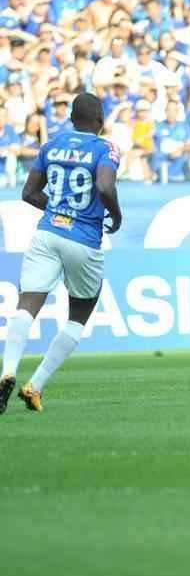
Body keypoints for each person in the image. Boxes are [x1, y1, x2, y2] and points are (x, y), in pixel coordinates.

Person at [0, 93, 122, 414]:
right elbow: (106, 187)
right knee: (79, 315)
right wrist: (116, 216)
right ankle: (34, 385)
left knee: (28, 302)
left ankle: (8, 369)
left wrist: (57, 209)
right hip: (84, 239)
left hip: (48, 232)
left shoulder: (50, 146)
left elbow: (28, 193)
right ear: (100, 121)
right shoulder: (105, 148)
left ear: (70, 118)